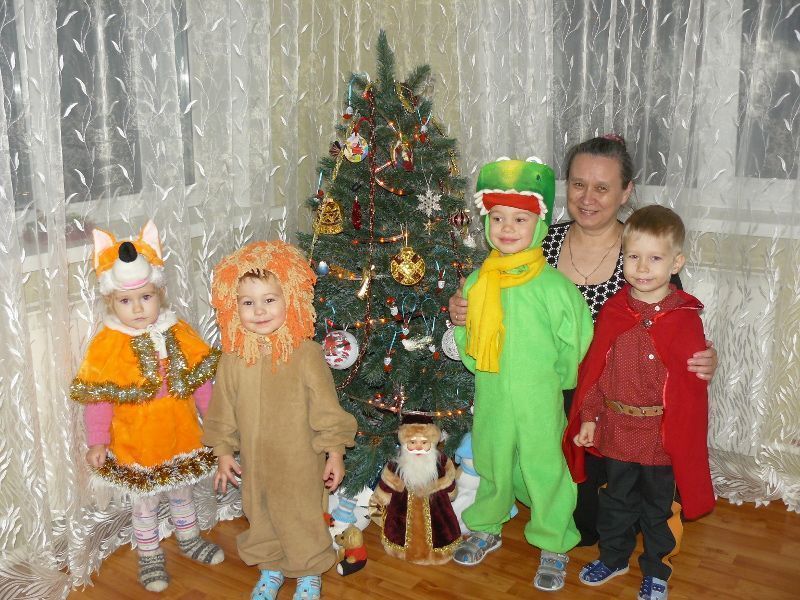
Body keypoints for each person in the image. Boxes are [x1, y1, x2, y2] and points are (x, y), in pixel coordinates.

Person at [448, 135, 718, 546]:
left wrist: (705, 357)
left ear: (626, 192)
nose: (587, 198)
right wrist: (464, 309)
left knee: (592, 525)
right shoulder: (537, 238)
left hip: (612, 400)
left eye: (602, 187)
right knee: (557, 493)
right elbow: (495, 294)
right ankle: (503, 495)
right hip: (546, 391)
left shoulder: (642, 250)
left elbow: (675, 324)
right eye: (578, 184)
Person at [451, 157, 594, 592]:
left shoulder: (555, 287)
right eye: (497, 218)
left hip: (539, 396)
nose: (507, 228)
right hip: (493, 393)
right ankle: (487, 524)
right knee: (492, 459)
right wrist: (464, 335)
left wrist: (559, 379)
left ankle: (553, 539)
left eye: (519, 219)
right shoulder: (477, 282)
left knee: (544, 463)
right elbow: (468, 337)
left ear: (539, 223)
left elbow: (577, 338)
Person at [565, 205, 714, 600]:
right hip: (617, 430)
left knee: (658, 509)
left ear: (676, 262)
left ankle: (657, 570)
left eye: (655, 258)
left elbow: (689, 384)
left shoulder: (685, 316)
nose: (642, 268)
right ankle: (614, 558)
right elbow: (596, 371)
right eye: (633, 256)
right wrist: (590, 418)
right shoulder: (614, 311)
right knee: (615, 501)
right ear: (623, 258)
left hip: (660, 435)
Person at [70, 221, 223, 593]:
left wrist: (216, 425)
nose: (138, 308)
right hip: (136, 444)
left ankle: (189, 538)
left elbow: (202, 385)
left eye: (146, 297)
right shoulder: (108, 345)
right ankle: (150, 554)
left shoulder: (178, 332)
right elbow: (99, 399)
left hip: (180, 434)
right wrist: (97, 441)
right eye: (126, 301)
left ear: (160, 294)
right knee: (145, 504)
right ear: (111, 302)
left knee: (183, 493)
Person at [202, 240, 357, 600]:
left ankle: (308, 572)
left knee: (301, 517)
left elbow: (327, 411)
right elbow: (222, 411)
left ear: (292, 298)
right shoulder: (233, 358)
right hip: (256, 463)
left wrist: (334, 453)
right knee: (260, 515)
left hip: (300, 462)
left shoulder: (306, 354)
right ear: (233, 306)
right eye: (248, 302)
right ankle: (271, 567)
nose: (259, 310)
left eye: (270, 299)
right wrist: (223, 452)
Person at [370, 414, 461, 565]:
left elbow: (449, 482)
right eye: (412, 442)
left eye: (424, 442)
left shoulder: (441, 461)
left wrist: (451, 491)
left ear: (433, 442)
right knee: (400, 528)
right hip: (401, 513)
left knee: (441, 529)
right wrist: (380, 499)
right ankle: (403, 550)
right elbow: (386, 485)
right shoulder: (397, 463)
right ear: (404, 442)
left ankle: (436, 552)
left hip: (437, 510)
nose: (418, 447)